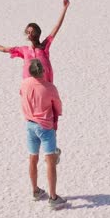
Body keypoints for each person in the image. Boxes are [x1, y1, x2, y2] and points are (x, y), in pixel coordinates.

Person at [0, 0, 69, 83]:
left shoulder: (44, 46)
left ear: (37, 33)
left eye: (32, 32)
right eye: (28, 32)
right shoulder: (23, 50)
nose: (29, 34)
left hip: (45, 83)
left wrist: (64, 8)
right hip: (29, 84)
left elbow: (57, 27)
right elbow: (4, 49)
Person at [21, 59, 65, 208]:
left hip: (29, 125)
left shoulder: (24, 83)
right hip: (45, 127)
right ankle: (53, 197)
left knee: (33, 158)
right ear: (43, 71)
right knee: (50, 161)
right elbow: (57, 107)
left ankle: (35, 191)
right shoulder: (50, 87)